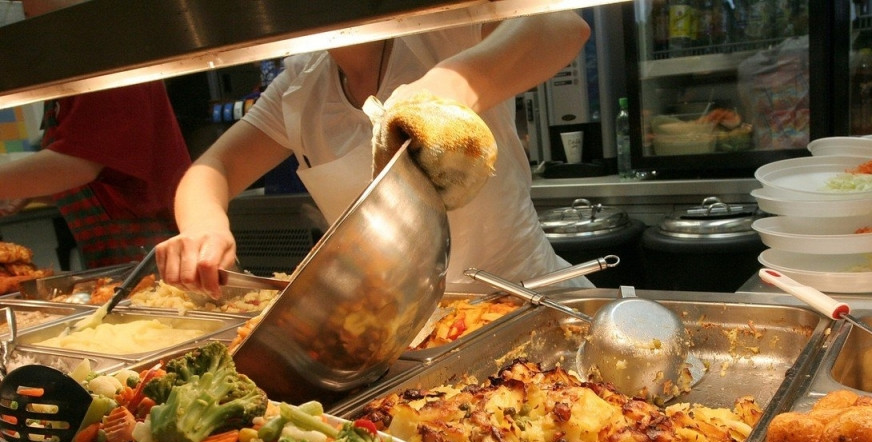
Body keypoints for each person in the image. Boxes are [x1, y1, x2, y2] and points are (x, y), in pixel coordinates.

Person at [156, 13, 593, 297]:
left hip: (528, 296)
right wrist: (203, 229)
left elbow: (563, 27)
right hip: (410, 332)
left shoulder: (443, 28)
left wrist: (453, 86)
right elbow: (214, 168)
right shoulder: (301, 86)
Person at [0, 0, 191, 269]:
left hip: (161, 254)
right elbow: (102, 174)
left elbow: (79, 163)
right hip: (118, 259)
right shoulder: (68, 64)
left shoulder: (103, 50)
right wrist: (31, 190)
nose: (21, 10)